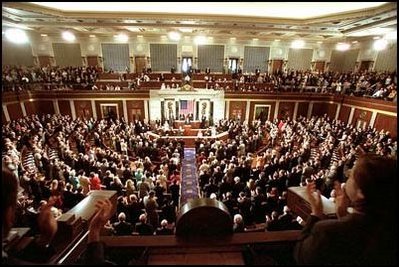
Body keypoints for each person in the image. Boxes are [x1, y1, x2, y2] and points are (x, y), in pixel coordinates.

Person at [294, 154, 397, 265]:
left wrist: (316, 214)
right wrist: (342, 216)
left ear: (360, 193)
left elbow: (300, 255)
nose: (347, 175)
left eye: (351, 175)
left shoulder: (326, 231)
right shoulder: (390, 228)